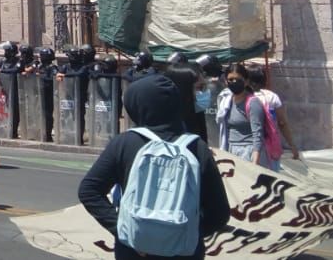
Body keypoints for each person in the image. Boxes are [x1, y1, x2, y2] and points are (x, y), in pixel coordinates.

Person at [78, 72, 231, 260]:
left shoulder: (125, 143)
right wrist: (182, 235)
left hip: (133, 251)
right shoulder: (196, 147)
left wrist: (124, 230)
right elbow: (220, 214)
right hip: (183, 252)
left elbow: (89, 191)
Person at [218, 63, 270, 167]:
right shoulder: (226, 102)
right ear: (225, 81)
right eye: (230, 79)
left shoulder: (252, 102)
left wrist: (254, 163)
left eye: (238, 79)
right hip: (231, 150)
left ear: (246, 81)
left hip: (248, 152)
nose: (234, 82)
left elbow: (257, 134)